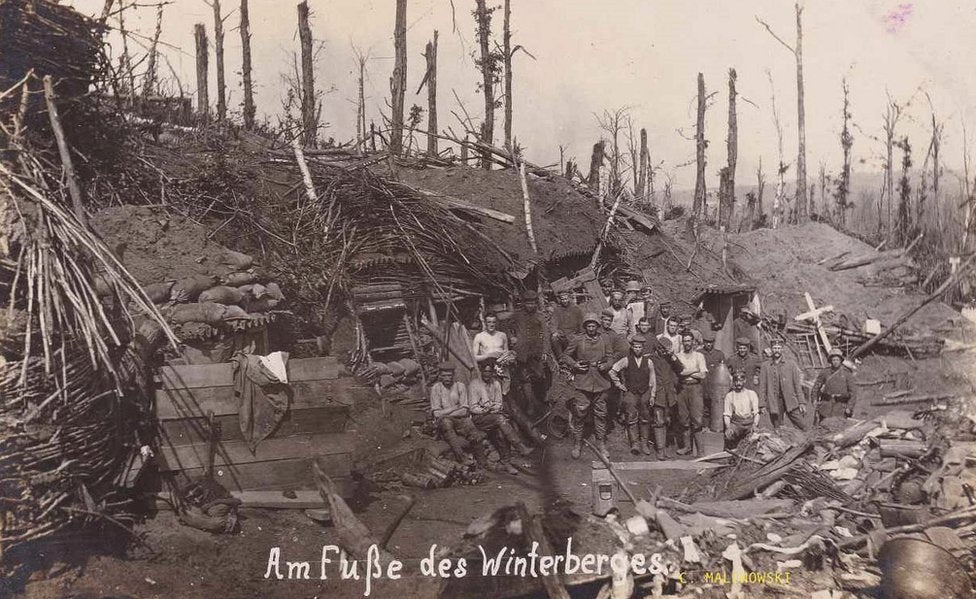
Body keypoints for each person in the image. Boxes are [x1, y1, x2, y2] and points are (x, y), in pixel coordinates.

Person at [560, 313, 614, 460]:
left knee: (601, 415)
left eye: (594, 326)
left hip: (601, 381)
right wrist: (575, 364)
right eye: (589, 326)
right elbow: (565, 356)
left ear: (598, 326)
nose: (591, 328)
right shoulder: (578, 340)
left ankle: (601, 443)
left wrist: (607, 366)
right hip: (583, 381)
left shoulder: (605, 339)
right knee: (580, 413)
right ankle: (577, 443)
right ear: (585, 327)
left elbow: (610, 356)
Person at [469, 362, 534, 472]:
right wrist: (484, 410)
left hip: (494, 416)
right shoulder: (474, 385)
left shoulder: (496, 384)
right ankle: (519, 447)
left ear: (492, 372)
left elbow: (499, 403)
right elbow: (473, 407)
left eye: (489, 371)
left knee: (501, 431)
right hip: (479, 419)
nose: (487, 374)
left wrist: (493, 408)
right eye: (485, 371)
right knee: (500, 419)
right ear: (481, 371)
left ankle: (506, 463)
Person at [429, 363, 487, 466]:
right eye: (444, 375)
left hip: (459, 419)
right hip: (443, 421)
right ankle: (461, 457)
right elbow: (437, 414)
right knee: (446, 423)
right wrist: (454, 408)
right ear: (440, 376)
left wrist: (447, 412)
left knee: (470, 426)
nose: (447, 378)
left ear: (453, 375)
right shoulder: (436, 388)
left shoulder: (460, 386)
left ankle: (483, 462)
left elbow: (464, 410)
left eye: (449, 375)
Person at [609, 334, 657, 455]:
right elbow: (612, 371)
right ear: (632, 347)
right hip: (630, 393)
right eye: (635, 347)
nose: (637, 349)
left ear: (643, 348)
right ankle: (635, 443)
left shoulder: (649, 362)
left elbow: (653, 379)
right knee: (631, 418)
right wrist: (619, 384)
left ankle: (644, 443)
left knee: (645, 418)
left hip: (645, 392)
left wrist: (652, 395)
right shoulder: (626, 360)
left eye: (640, 347)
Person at [510, 290, 552, 417]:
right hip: (522, 352)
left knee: (539, 375)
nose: (530, 306)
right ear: (524, 303)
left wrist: (545, 350)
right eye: (528, 303)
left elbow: (545, 334)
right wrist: (512, 337)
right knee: (525, 378)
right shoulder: (517, 316)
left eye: (533, 303)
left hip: (536, 351)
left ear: (536, 303)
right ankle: (530, 404)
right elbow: (508, 327)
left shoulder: (540, 316)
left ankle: (542, 396)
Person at [759, 339, 809, 431]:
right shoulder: (765, 366)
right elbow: (762, 386)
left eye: (779, 348)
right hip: (774, 401)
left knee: (803, 426)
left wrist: (801, 402)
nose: (777, 350)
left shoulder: (791, 364)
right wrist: (762, 404)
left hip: (790, 400)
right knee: (778, 428)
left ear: (782, 349)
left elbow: (797, 385)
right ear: (771, 349)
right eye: (774, 348)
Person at [674, 331, 708, 457]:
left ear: (693, 342)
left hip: (695, 388)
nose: (687, 343)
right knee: (683, 418)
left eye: (689, 340)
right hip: (682, 388)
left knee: (697, 419)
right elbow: (679, 373)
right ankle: (687, 447)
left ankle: (700, 450)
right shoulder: (678, 356)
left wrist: (687, 371)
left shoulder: (699, 356)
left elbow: (703, 374)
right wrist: (695, 370)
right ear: (682, 342)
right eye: (685, 341)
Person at [649, 337, 681, 459]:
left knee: (667, 421)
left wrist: (673, 356)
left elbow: (680, 369)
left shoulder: (670, 359)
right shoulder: (651, 359)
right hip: (657, 393)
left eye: (666, 349)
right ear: (658, 347)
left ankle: (666, 447)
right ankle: (660, 449)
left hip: (669, 394)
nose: (664, 352)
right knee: (658, 421)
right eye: (662, 349)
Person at [811, 348, 857, 423]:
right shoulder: (825, 373)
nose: (835, 362)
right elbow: (816, 387)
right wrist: (814, 400)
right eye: (833, 360)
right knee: (823, 427)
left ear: (841, 361)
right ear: (830, 361)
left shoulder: (847, 374)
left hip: (841, 408)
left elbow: (853, 393)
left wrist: (849, 407)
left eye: (837, 360)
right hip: (825, 407)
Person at [723, 370, 760, 448]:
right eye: (736, 381)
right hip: (737, 423)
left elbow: (756, 413)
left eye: (740, 381)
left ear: (745, 380)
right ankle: (729, 456)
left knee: (756, 439)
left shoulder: (751, 394)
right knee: (728, 436)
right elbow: (727, 414)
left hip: (750, 423)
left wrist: (755, 424)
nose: (738, 383)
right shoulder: (729, 396)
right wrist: (728, 427)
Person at [550, 289, 584, 356]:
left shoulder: (576, 309)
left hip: (574, 334)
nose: (564, 301)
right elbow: (553, 323)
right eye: (562, 299)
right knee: (554, 338)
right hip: (563, 335)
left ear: (569, 298)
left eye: (566, 299)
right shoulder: (557, 310)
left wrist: (580, 334)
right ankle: (560, 358)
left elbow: (581, 324)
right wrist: (554, 332)